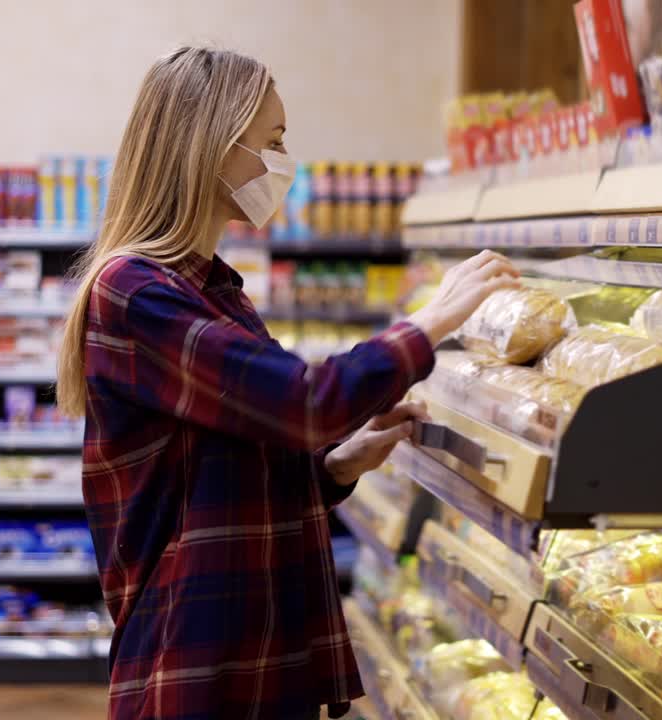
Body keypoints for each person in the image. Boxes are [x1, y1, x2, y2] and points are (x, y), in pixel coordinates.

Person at [56, 46, 519, 720]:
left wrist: (333, 468)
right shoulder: (133, 291)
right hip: (195, 661)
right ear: (210, 147)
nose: (283, 162)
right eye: (271, 141)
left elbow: (235, 466)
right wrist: (433, 319)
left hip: (252, 651)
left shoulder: (213, 289)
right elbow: (302, 402)